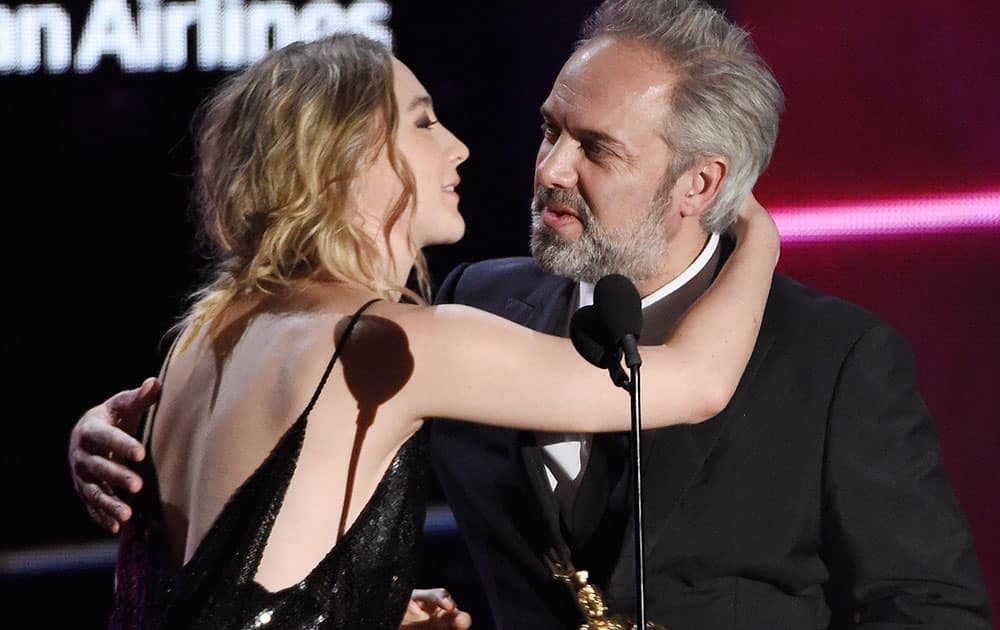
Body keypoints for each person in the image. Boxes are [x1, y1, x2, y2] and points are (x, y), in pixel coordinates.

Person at [70, 2, 994, 629]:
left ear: (698, 183)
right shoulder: (459, 313)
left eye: (593, 146)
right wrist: (760, 236)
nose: (542, 165)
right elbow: (699, 383)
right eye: (550, 129)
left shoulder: (838, 362)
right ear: (350, 165)